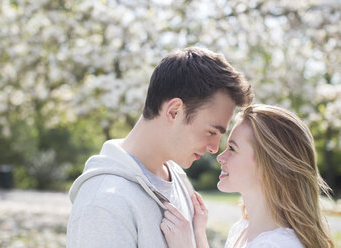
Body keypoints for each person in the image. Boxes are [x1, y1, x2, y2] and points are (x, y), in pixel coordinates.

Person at [66, 47, 253, 248]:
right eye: (211, 132)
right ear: (174, 112)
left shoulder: (177, 178)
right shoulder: (103, 205)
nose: (215, 148)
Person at [161, 104, 335, 248]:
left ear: (268, 165)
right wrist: (198, 233)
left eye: (233, 149)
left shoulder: (280, 245)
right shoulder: (242, 229)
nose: (220, 157)